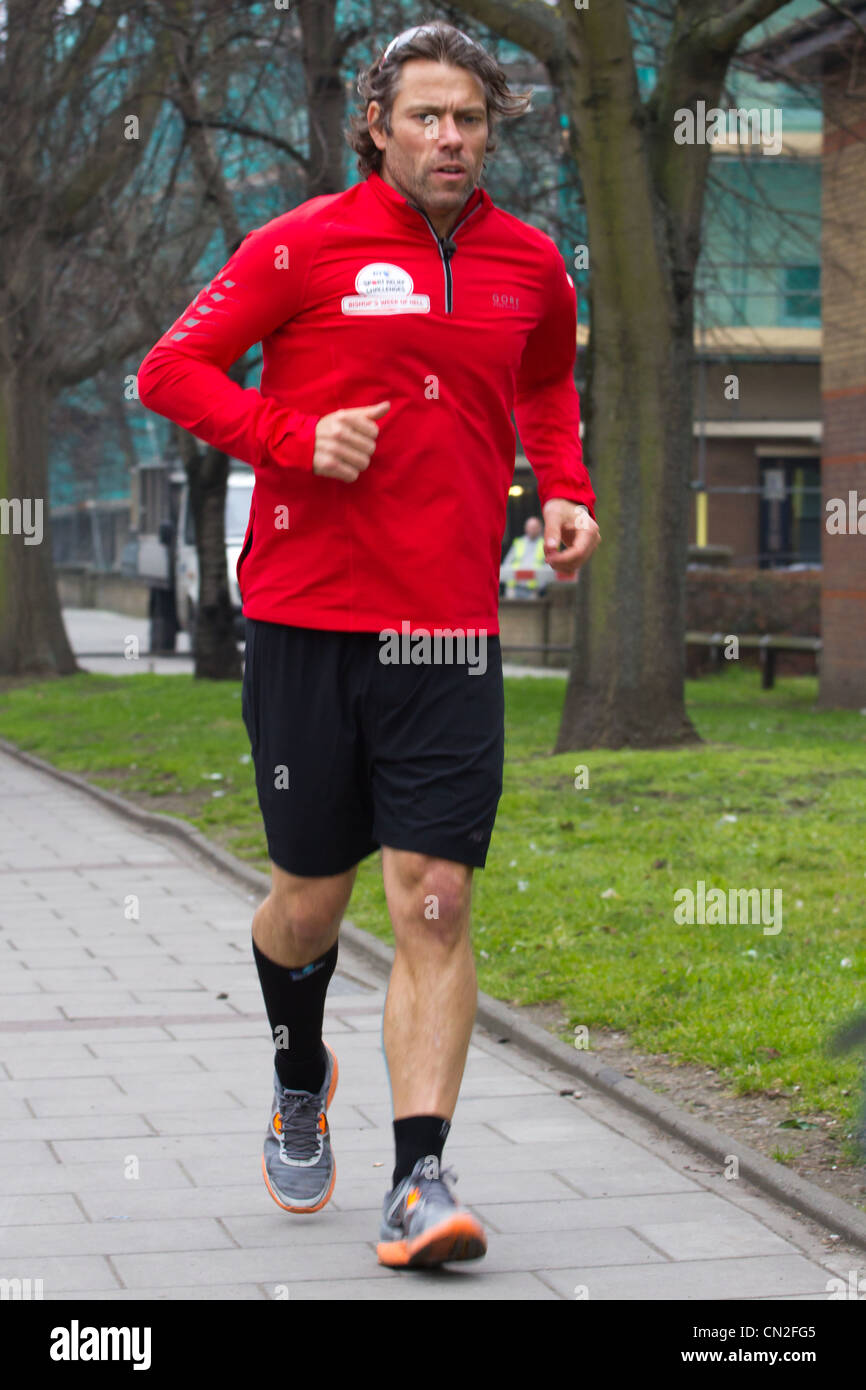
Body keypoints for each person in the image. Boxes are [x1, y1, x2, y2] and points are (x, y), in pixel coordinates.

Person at [137, 20, 600, 1271]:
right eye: (426, 118)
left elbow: (546, 386)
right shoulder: (300, 245)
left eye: (469, 119)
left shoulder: (529, 264)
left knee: (433, 904)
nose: (450, 139)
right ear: (376, 126)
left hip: (444, 632)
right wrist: (289, 436)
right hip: (302, 622)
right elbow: (169, 369)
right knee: (309, 898)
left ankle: (418, 1179)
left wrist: (564, 486)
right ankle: (300, 1069)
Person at [502, 515, 552, 597]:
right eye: (530, 527)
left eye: (534, 527)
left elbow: (549, 569)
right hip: (514, 588)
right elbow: (506, 564)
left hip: (534, 590)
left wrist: (540, 587)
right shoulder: (518, 543)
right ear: (525, 528)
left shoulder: (545, 545)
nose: (532, 530)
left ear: (540, 529)